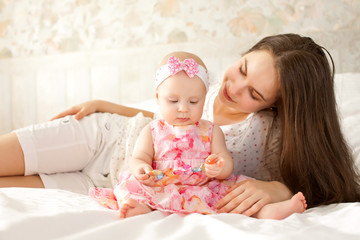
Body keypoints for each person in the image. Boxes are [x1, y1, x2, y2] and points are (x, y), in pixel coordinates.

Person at [1, 33, 359, 217]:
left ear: (276, 105)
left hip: (117, 188)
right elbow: (161, 119)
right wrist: (103, 105)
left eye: (254, 92)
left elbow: (324, 184)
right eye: (243, 68)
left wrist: (278, 189)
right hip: (103, 139)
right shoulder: (206, 86)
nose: (234, 88)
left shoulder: (269, 135)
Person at [89, 52, 307, 219]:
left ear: (203, 98)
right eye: (173, 101)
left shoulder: (210, 130)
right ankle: (140, 207)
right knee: (134, 187)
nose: (183, 108)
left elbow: (225, 159)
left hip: (203, 187)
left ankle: (278, 211)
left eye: (193, 102)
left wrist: (220, 167)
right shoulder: (153, 129)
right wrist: (142, 169)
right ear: (158, 97)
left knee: (239, 201)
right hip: (163, 183)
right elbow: (140, 158)